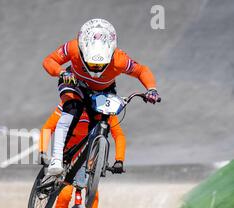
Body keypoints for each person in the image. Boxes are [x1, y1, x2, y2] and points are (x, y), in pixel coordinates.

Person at [42, 18, 160, 176]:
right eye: (91, 64)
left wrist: (151, 89)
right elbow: (49, 61)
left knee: (99, 120)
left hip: (103, 91)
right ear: (83, 50)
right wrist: (62, 73)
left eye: (100, 65)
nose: (96, 69)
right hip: (75, 82)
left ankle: (88, 164)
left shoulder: (120, 59)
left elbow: (142, 71)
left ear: (110, 55)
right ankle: (56, 159)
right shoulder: (73, 47)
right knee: (72, 110)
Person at [38, 104, 126, 208]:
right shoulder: (71, 103)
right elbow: (48, 128)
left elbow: (118, 135)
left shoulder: (105, 107)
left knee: (94, 192)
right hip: (68, 158)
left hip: (89, 161)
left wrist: (119, 160)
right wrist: (42, 151)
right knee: (64, 196)